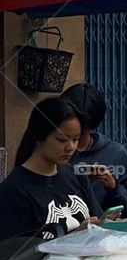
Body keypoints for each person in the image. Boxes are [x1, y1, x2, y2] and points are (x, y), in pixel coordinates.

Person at [0, 97, 101, 246]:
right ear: (39, 137)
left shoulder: (76, 176)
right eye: (62, 140)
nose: (71, 147)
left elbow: (97, 218)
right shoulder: (14, 192)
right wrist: (75, 236)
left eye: (76, 139)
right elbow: (17, 258)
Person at [65, 83, 127, 218]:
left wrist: (113, 186)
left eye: (81, 132)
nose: (69, 146)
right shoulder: (53, 154)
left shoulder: (115, 154)